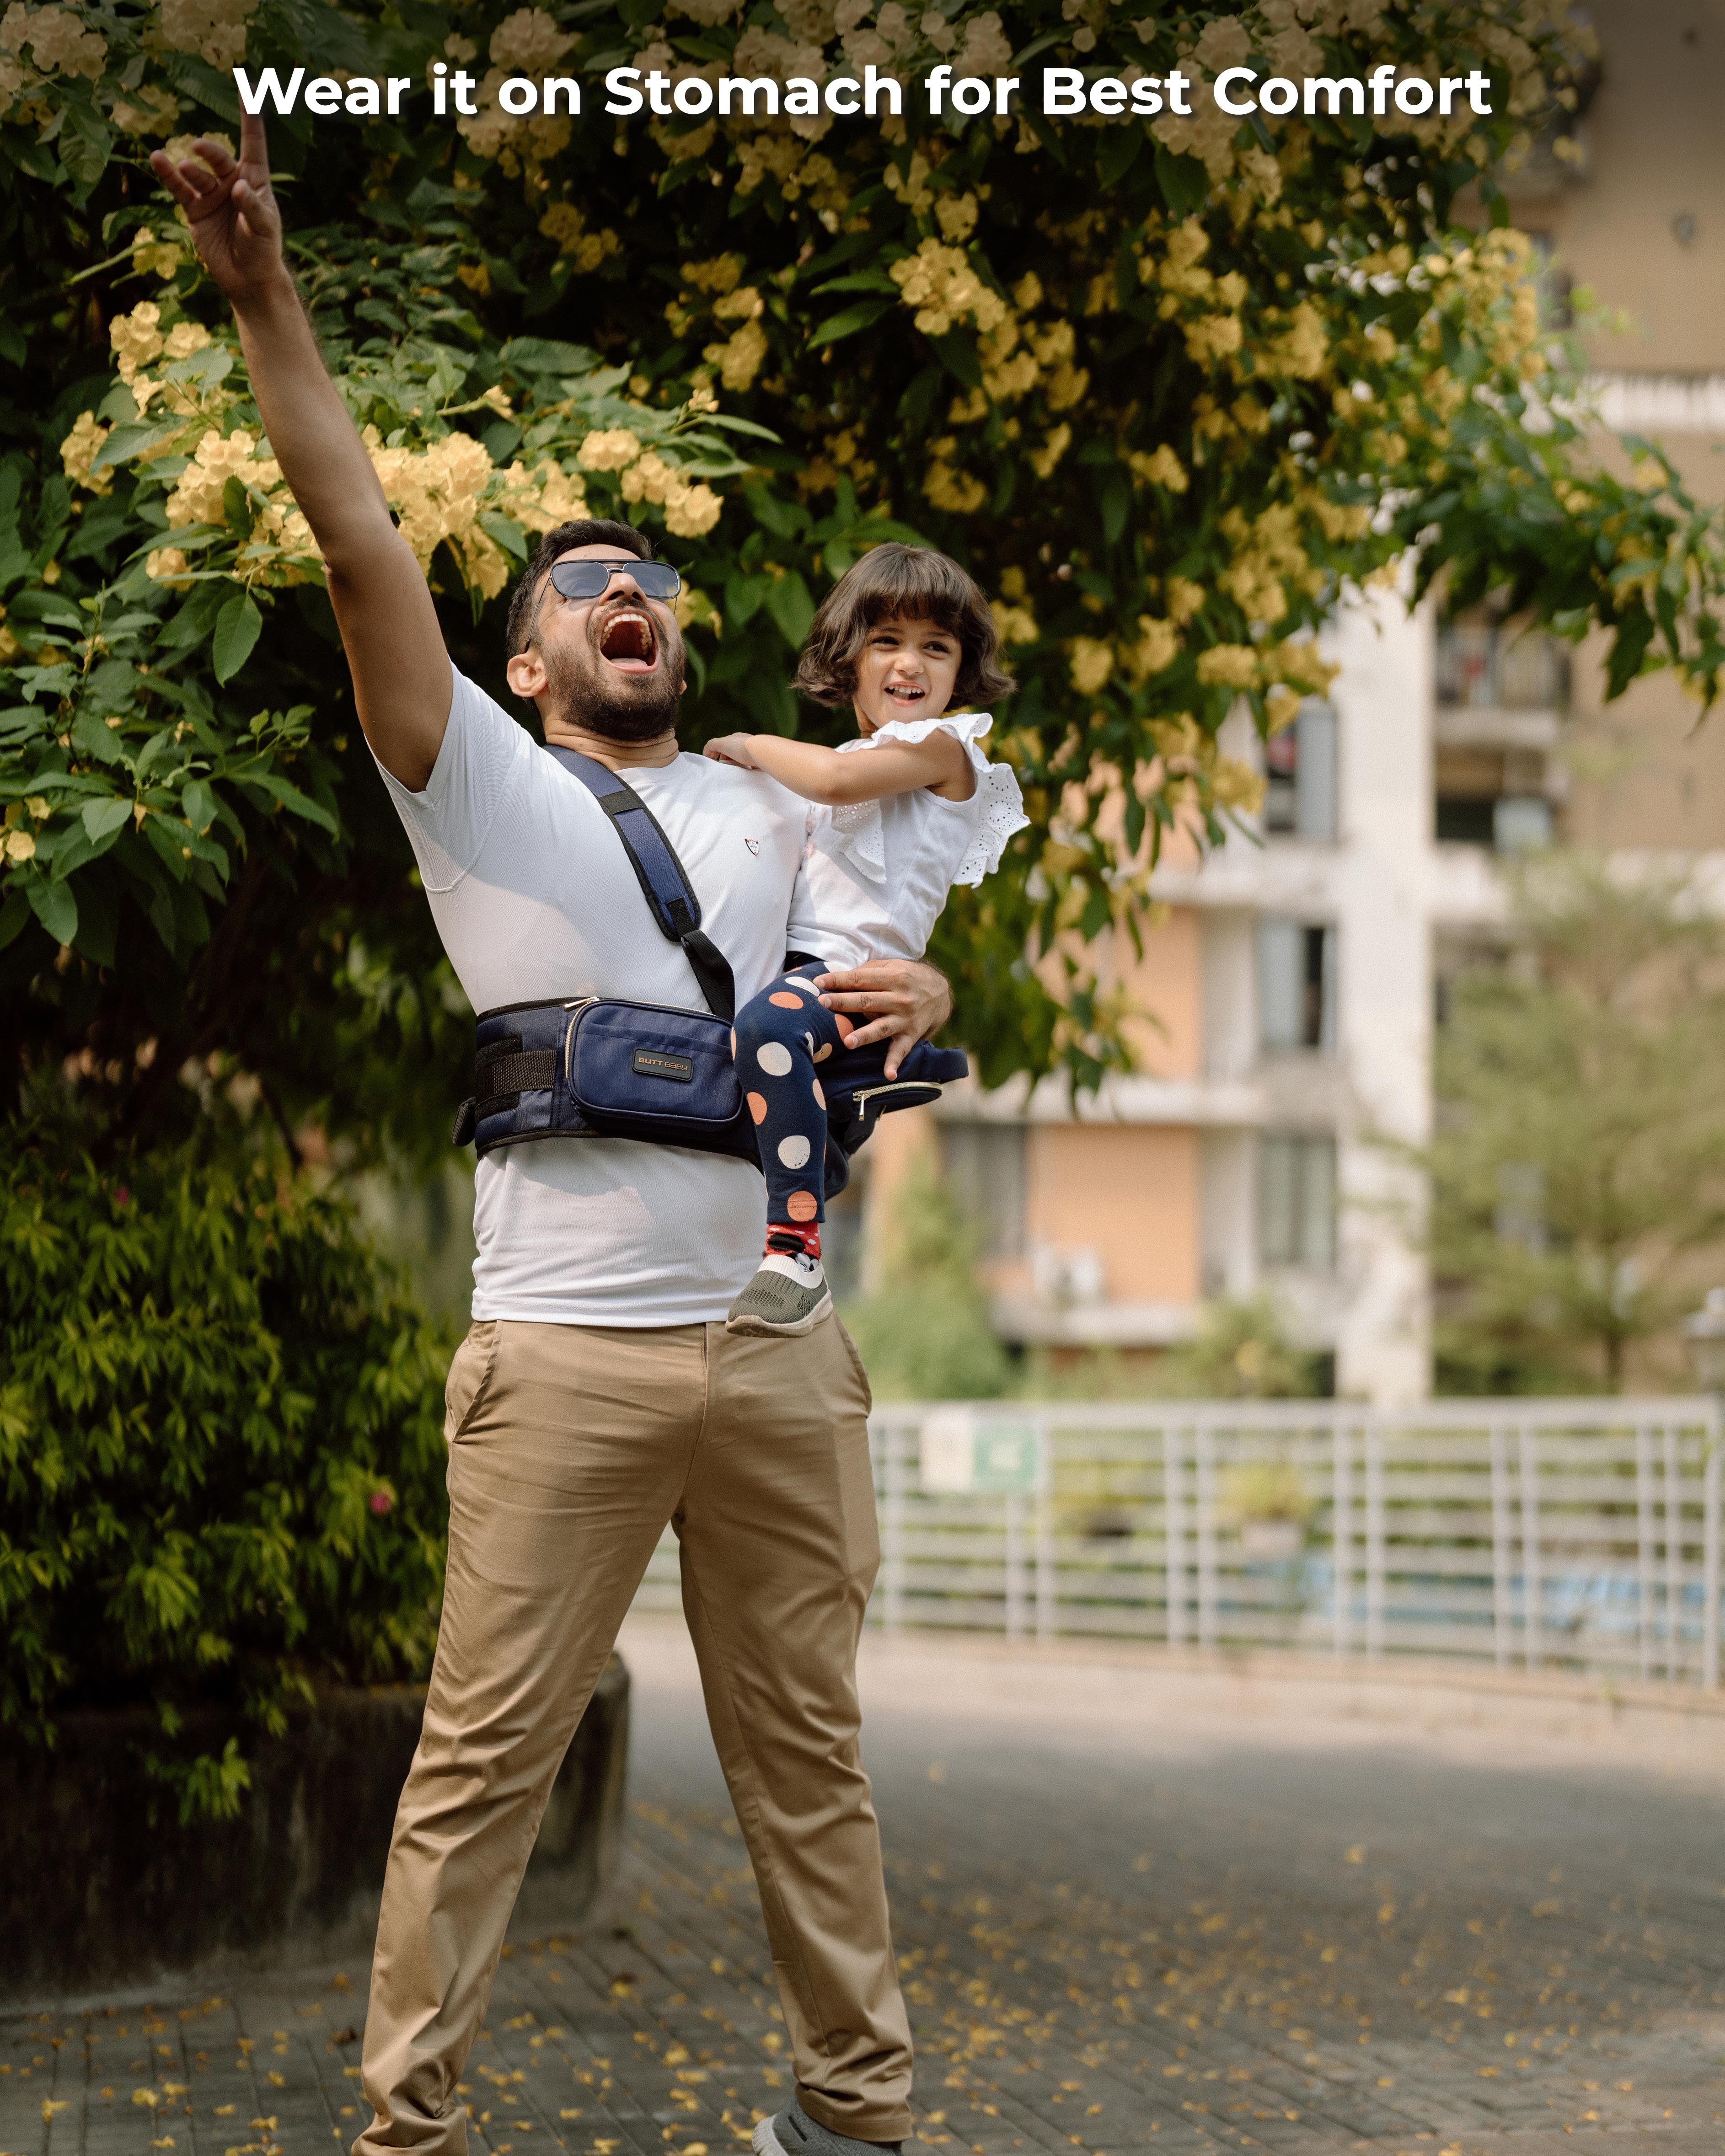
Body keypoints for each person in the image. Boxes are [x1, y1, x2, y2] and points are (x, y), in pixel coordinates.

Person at [150, 115, 947, 2156]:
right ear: (523, 659)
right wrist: (261, 289)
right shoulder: (475, 780)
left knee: (810, 1765)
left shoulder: (783, 807)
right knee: (478, 1765)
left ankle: (851, 2123)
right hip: (566, 1352)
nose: (633, 599)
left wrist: (934, 997)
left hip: (779, 1357)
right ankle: (410, 2131)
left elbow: (886, 966)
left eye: (659, 587)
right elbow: (350, 531)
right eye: (590, 584)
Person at [706, 547, 1028, 1338]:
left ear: (963, 673)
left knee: (769, 1027)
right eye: (887, 639)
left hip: (848, 975)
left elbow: (835, 782)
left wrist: (748, 743)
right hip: (796, 968)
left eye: (936, 647)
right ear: (845, 656)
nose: (911, 662)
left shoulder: (947, 751)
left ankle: (796, 1254)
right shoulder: (851, 762)